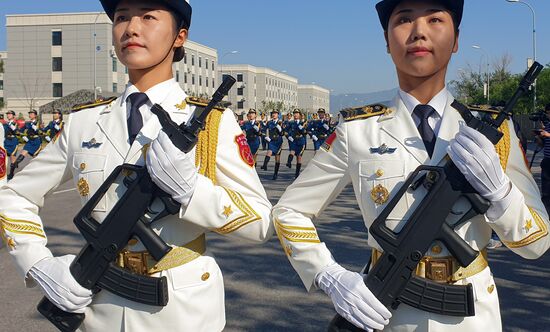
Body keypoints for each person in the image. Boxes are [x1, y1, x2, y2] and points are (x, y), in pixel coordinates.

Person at [272, 1, 550, 331]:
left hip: (473, 317)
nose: (419, 31)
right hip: (387, 313)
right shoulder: (357, 130)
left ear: (456, 39)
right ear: (388, 41)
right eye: (404, 20)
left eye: (435, 19)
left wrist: (500, 194)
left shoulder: (495, 133)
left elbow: (537, 244)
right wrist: (328, 275)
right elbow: (288, 212)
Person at [0, 1, 272, 331]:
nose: (131, 28)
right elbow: (13, 197)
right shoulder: (83, 122)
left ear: (179, 37)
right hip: (99, 308)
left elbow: (261, 222)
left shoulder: (213, 123)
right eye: (122, 17)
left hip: (182, 310)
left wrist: (191, 192)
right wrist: (38, 264)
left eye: (148, 17)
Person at [8, 109, 43, 180]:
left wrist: (37, 129)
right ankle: (11, 173)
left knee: (37, 158)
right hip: (30, 141)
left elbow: (41, 132)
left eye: (32, 113)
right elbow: (20, 130)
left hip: (36, 141)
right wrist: (16, 131)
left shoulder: (38, 123)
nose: (30, 114)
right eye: (30, 113)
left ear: (35, 115)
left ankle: (41, 173)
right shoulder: (27, 123)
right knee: (21, 156)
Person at [260, 109, 284, 180]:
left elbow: (282, 133)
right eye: (273, 113)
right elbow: (263, 130)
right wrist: (266, 137)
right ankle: (264, 165)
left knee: (277, 158)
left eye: (275, 113)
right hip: (271, 141)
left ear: (278, 115)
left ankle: (275, 174)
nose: (274, 114)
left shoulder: (281, 123)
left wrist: (280, 129)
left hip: (278, 142)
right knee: (269, 152)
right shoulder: (269, 123)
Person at [284, 109, 308, 178]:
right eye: (294, 113)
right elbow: (285, 131)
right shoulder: (290, 123)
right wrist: (288, 137)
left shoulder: (302, 123)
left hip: (300, 141)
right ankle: (289, 162)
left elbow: (305, 132)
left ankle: (297, 173)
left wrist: (302, 129)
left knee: (299, 158)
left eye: (297, 113)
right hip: (293, 141)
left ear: (299, 115)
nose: (295, 115)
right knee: (292, 152)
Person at [536, 103, 550, 210]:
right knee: (546, 191)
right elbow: (543, 145)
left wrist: (548, 134)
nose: (548, 115)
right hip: (546, 161)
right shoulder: (548, 126)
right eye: (548, 113)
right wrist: (539, 137)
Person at [3, 110, 20, 177]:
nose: (8, 115)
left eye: (10, 114)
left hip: (13, 141)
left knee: (12, 157)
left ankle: (11, 173)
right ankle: (3, 173)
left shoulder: (16, 123)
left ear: (13, 116)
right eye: (8, 114)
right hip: (6, 141)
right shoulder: (5, 124)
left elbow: (17, 132)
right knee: (3, 157)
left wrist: (13, 126)